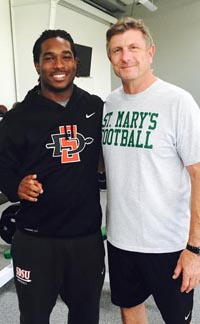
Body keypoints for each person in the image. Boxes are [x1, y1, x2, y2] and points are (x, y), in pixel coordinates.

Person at [0, 29, 105, 324]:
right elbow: (3, 167)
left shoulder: (94, 107)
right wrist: (15, 185)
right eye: (49, 58)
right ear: (37, 65)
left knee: (86, 318)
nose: (59, 65)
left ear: (76, 64)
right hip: (36, 241)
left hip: (86, 240)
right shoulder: (18, 118)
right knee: (33, 318)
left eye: (66, 57)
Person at [102, 17, 200, 324]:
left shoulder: (178, 102)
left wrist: (194, 249)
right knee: (130, 310)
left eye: (133, 47)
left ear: (150, 52)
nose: (125, 56)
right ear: (110, 57)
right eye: (117, 50)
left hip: (169, 244)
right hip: (120, 240)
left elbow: (198, 176)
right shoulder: (108, 105)